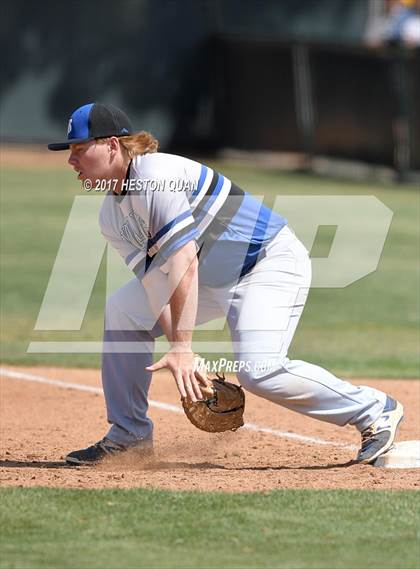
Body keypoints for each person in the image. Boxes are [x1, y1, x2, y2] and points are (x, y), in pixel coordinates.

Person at [48, 102, 404, 466]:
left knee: (260, 372)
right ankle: (129, 436)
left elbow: (184, 261)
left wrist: (185, 347)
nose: (71, 161)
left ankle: (376, 411)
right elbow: (158, 285)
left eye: (79, 149)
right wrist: (182, 354)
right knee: (123, 311)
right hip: (210, 279)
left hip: (266, 265)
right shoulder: (111, 216)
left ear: (111, 145)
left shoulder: (157, 176)